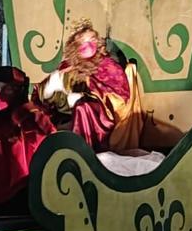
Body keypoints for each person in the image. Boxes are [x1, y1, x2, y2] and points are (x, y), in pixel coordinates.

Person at [0, 65, 57, 211]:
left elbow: (51, 140)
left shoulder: (31, 117)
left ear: (17, 91)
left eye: (6, 89)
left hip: (24, 190)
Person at [35, 21, 132, 152]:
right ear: (75, 46)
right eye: (83, 41)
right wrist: (48, 90)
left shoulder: (107, 64)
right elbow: (45, 94)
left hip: (99, 116)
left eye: (92, 40)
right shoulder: (67, 67)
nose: (88, 45)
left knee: (83, 107)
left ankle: (84, 153)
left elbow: (119, 95)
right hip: (66, 116)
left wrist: (83, 97)